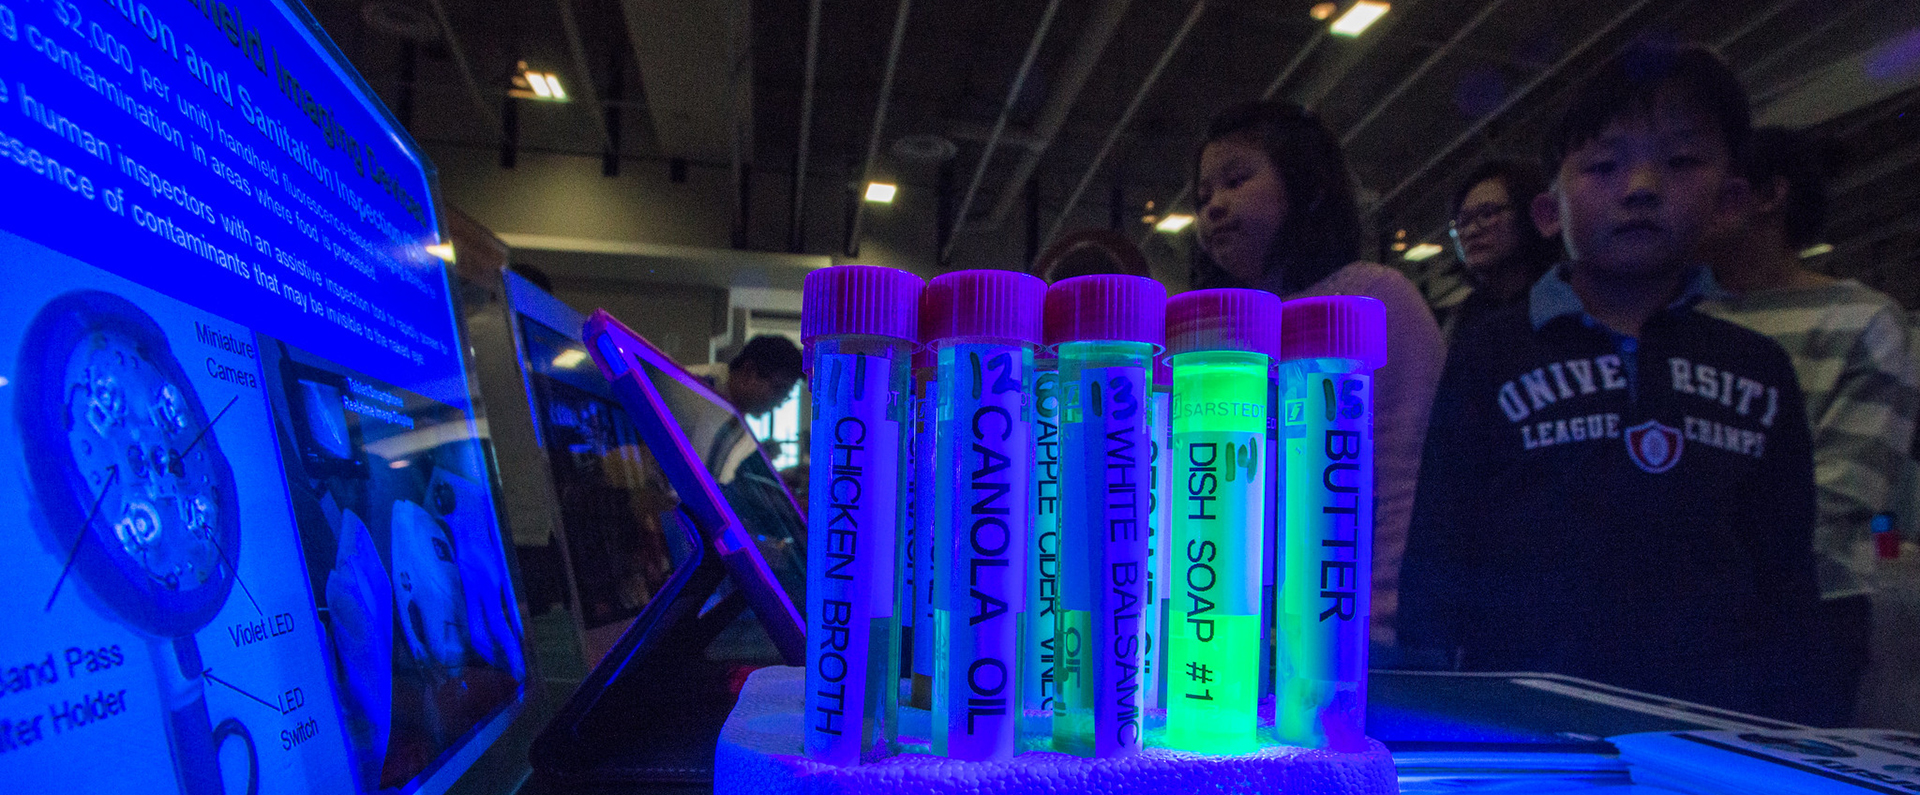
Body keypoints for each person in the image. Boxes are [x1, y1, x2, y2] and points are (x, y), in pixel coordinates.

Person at [1397, 42, 1821, 721]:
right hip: (1524, 716)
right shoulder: (1491, 352)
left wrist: (1796, 721)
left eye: (1681, 161)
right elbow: (1441, 540)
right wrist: (1427, 693)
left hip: (1713, 723)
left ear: (1729, 200)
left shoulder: (1758, 369)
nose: (1642, 186)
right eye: (1603, 164)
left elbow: (1787, 573)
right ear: (1548, 211)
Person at [1190, 100, 1446, 647]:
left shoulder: (1371, 298)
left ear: (1309, 187)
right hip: (1235, 637)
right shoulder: (1223, 334)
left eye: (1235, 180)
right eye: (1203, 195)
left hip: (1349, 635)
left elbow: (1405, 474)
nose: (1213, 207)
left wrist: (1376, 617)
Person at [1695, 126, 1920, 725]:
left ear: (1768, 196)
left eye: (1707, 180)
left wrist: (1682, 540)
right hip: (1683, 609)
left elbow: (1847, 488)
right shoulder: (1679, 316)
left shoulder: (1864, 320)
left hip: (1811, 608)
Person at [1439, 160, 1561, 341]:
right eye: (1462, 222)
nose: (1471, 231)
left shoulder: (1566, 298)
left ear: (1529, 214)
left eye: (1487, 214)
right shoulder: (1460, 323)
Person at [720, 335, 804, 416]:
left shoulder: (734, 416)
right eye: (778, 389)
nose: (779, 403)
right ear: (748, 372)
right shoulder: (708, 391)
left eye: (785, 396)